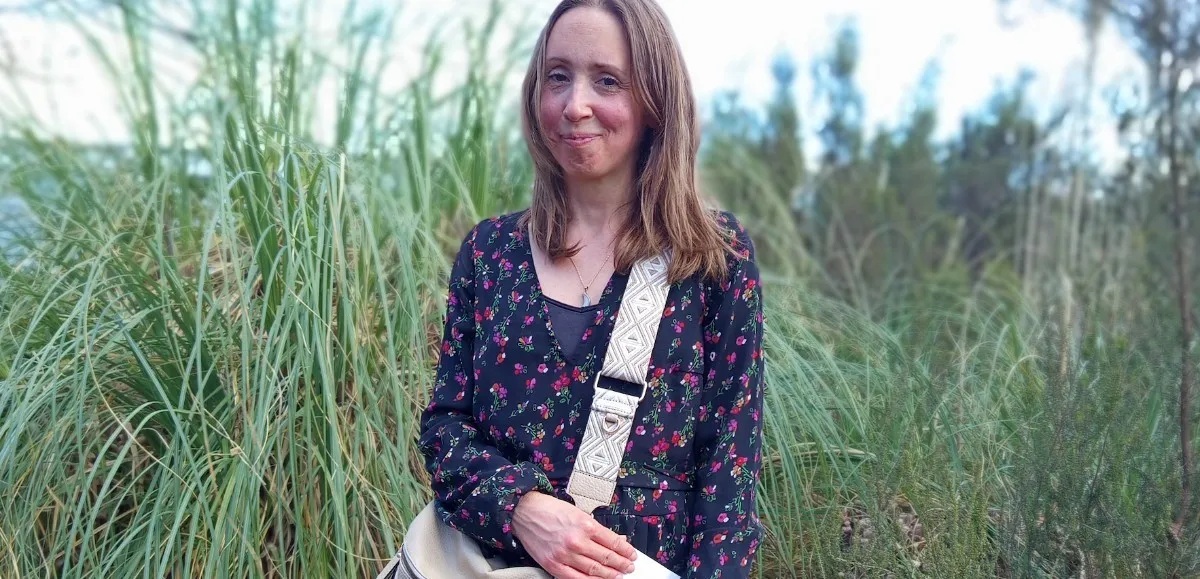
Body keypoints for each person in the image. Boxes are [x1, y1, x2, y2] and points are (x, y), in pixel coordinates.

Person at [417, 0, 766, 577]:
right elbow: (446, 428)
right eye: (558, 77)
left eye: (607, 81)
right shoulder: (490, 253)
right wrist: (521, 508)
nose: (574, 105)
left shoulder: (713, 256)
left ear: (655, 99)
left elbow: (729, 467)